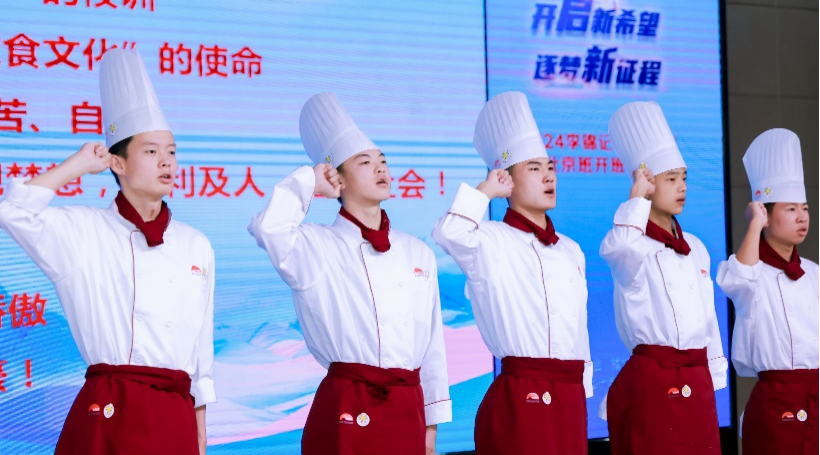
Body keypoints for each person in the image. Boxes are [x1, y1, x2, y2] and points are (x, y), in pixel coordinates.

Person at [0, 48, 215, 455]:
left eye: (171, 152)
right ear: (118, 163)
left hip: (174, 415)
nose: (167, 162)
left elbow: (201, 354)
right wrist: (78, 164)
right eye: (151, 152)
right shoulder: (84, 230)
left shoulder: (195, 244)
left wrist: (200, 433)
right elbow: (13, 211)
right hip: (109, 411)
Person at [248, 92, 451, 455]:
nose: (380, 169)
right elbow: (269, 228)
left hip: (407, 410)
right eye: (365, 162)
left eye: (383, 161)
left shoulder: (417, 252)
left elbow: (433, 345)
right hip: (346, 408)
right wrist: (309, 181)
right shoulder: (316, 245)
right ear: (337, 178)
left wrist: (431, 426)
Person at [432, 91, 592, 454]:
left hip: (569, 394)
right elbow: (448, 232)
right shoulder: (489, 240)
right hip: (521, 394)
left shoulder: (570, 249)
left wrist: (583, 389)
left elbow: (578, 327)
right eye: (534, 168)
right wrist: (485, 191)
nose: (548, 176)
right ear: (507, 179)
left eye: (550, 167)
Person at [599, 101, 727, 454]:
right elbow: (617, 248)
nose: (681, 187)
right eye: (671, 179)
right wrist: (636, 198)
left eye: (683, 178)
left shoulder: (696, 247)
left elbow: (709, 317)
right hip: (652, 382)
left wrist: (713, 375)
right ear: (647, 183)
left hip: (697, 378)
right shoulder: (632, 244)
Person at [717, 128, 818, 455]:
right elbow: (738, 279)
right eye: (790, 209)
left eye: (804, 208)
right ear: (766, 214)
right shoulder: (751, 272)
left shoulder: (814, 273)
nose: (802, 217)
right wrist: (754, 224)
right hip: (774, 404)